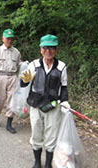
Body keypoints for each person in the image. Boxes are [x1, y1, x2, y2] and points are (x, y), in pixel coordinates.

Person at [20, 35, 70, 168]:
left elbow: (64, 87)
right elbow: (23, 84)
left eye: (52, 48)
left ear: (56, 49)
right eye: (45, 48)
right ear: (40, 49)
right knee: (36, 134)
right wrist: (24, 80)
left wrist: (64, 101)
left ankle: (48, 164)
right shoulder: (34, 65)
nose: (48, 51)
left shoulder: (61, 67)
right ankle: (37, 162)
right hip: (36, 105)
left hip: (52, 106)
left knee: (51, 136)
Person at [0, 28, 22, 134]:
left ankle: (9, 123)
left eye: (11, 39)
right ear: (3, 39)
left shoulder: (16, 52)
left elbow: (19, 65)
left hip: (13, 77)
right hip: (0, 77)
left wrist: (24, 68)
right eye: (7, 38)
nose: (9, 41)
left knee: (12, 100)